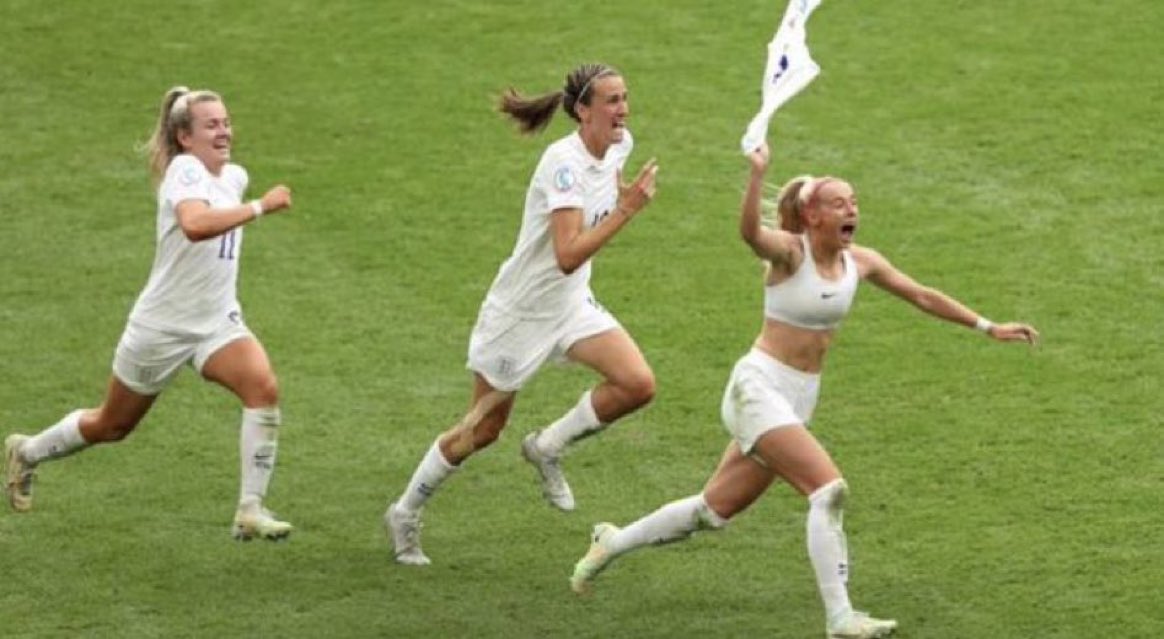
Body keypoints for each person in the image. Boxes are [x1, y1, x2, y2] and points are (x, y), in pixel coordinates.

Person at [568, 141, 1039, 639]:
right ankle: (840, 618)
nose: (852, 209)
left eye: (854, 202)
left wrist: (989, 327)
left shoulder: (862, 261)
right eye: (839, 203)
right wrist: (757, 175)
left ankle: (611, 542)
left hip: (796, 399)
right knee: (828, 491)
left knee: (712, 511)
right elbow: (750, 232)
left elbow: (922, 294)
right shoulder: (790, 255)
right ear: (812, 215)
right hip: (757, 389)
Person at [384, 63, 660, 565]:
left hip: (571, 305)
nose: (623, 109)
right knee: (481, 431)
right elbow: (567, 254)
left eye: (625, 97)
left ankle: (548, 446)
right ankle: (404, 512)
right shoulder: (562, 165)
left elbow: (584, 241)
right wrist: (627, 210)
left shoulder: (620, 145)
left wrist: (618, 201)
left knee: (637, 383)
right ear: (583, 111)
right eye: (612, 101)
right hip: (521, 314)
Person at [3, 86, 296, 541]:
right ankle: (28, 451)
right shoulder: (184, 171)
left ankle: (249, 510)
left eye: (226, 122)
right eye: (211, 125)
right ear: (184, 136)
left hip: (217, 322)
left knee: (263, 388)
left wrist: (248, 202)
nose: (224, 131)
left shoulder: (234, 177)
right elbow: (196, 226)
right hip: (162, 327)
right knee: (112, 425)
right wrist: (261, 207)